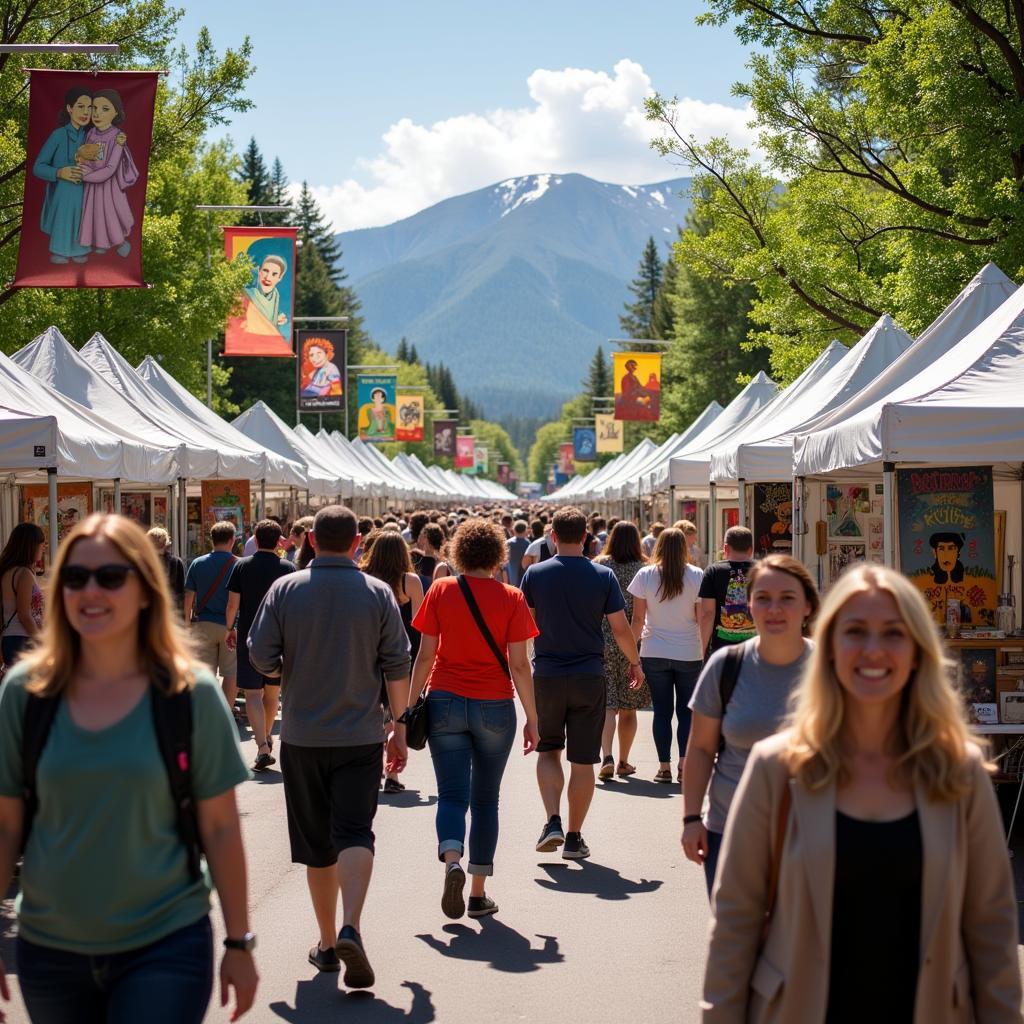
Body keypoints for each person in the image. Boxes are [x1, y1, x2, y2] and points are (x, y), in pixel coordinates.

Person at [700, 563, 1021, 1022]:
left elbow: (991, 930)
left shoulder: (959, 772)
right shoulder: (776, 766)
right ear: (829, 648)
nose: (873, 649)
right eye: (855, 631)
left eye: (893, 633)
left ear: (917, 652)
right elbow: (735, 924)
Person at [0, 514, 256, 1023]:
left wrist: (239, 942)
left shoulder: (190, 693)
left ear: (143, 589)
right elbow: (7, 824)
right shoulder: (24, 693)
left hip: (165, 942)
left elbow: (222, 828)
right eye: (74, 577)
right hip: (51, 950)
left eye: (110, 576)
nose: (90, 590)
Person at [247, 506, 410, 988]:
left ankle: (325, 943)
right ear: (358, 541)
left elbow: (259, 655)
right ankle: (351, 926)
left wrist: (285, 671)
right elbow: (397, 663)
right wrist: (398, 727)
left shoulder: (286, 589)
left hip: (302, 735)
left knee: (317, 845)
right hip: (361, 734)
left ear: (312, 541)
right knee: (356, 831)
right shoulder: (378, 593)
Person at [409, 519, 540, 920]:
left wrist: (410, 706)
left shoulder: (441, 590)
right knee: (486, 800)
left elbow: (426, 654)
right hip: (494, 706)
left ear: (459, 551)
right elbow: (519, 664)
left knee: (451, 795)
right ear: (498, 555)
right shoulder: (512, 597)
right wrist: (533, 718)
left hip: (445, 699)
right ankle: (478, 892)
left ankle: (452, 861)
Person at [683, 554, 818, 896]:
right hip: (730, 829)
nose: (774, 609)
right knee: (737, 942)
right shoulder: (726, 667)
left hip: (814, 836)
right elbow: (700, 748)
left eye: (787, 598)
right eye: (762, 598)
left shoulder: (831, 669)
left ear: (807, 606)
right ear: (749, 605)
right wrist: (691, 819)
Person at [521, 507, 644, 860]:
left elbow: (525, 627)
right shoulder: (602, 576)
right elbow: (620, 628)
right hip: (590, 673)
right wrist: (635, 662)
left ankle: (552, 821)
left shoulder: (535, 576)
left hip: (546, 673)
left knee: (548, 750)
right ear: (587, 536)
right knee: (583, 760)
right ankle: (574, 837)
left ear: (553, 536)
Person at [628, 527, 704, 784]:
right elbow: (700, 617)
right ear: (684, 547)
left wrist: (631, 655)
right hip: (689, 652)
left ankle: (664, 767)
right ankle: (684, 765)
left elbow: (638, 619)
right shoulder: (696, 576)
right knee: (686, 712)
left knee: (662, 712)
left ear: (658, 546)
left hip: (654, 650)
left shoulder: (645, 575)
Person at [224, 519, 296, 773]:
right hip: (279, 638)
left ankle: (262, 746)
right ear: (279, 541)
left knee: (252, 693)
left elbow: (233, 604)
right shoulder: (288, 568)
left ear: (255, 537)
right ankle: (266, 738)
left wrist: (230, 628)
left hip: (249, 637)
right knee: (272, 694)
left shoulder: (241, 566)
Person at [361, 531, 424, 794]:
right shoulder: (409, 581)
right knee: (395, 712)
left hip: (367, 649)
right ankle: (393, 775)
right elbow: (421, 622)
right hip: (402, 652)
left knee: (373, 711)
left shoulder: (363, 578)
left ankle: (372, 770)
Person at [593, 521, 650, 779]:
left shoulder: (600, 565)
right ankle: (624, 761)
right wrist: (634, 651)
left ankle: (606, 754)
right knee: (629, 707)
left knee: (608, 704)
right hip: (632, 642)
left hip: (601, 640)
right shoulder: (644, 568)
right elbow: (640, 616)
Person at [78, 88, 139, 257]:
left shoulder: (117, 136)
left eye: (105, 109)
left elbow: (111, 168)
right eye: (95, 109)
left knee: (108, 214)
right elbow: (86, 157)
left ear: (115, 113)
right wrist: (84, 167)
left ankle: (120, 243)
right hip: (91, 184)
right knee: (92, 214)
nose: (97, 114)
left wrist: (87, 175)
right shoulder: (91, 133)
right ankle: (99, 243)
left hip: (108, 188)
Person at [183, 522, 237, 708]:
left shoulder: (198, 563)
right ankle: (226, 714)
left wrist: (187, 624)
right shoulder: (237, 565)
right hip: (230, 626)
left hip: (203, 623)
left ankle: (205, 713)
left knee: (205, 674)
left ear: (211, 540)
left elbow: (189, 597)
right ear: (232, 540)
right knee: (230, 674)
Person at [699, 525, 756, 658]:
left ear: (725, 548)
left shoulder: (713, 571)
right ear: (751, 550)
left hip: (721, 650)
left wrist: (701, 650)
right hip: (756, 649)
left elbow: (708, 614)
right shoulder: (764, 569)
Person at [0, 524, 45, 670]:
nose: (43, 548)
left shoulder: (8, 571)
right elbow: (24, 614)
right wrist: (40, 641)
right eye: (41, 544)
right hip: (23, 639)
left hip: (11, 639)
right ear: (30, 545)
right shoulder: (24, 574)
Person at [147, 527, 185, 611]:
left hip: (148, 611)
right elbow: (181, 592)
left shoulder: (141, 562)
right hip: (170, 611)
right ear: (166, 543)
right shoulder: (176, 562)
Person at [505, 520, 531, 587]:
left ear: (514, 530)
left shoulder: (508, 543)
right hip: (524, 577)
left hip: (510, 576)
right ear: (525, 530)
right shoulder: (528, 544)